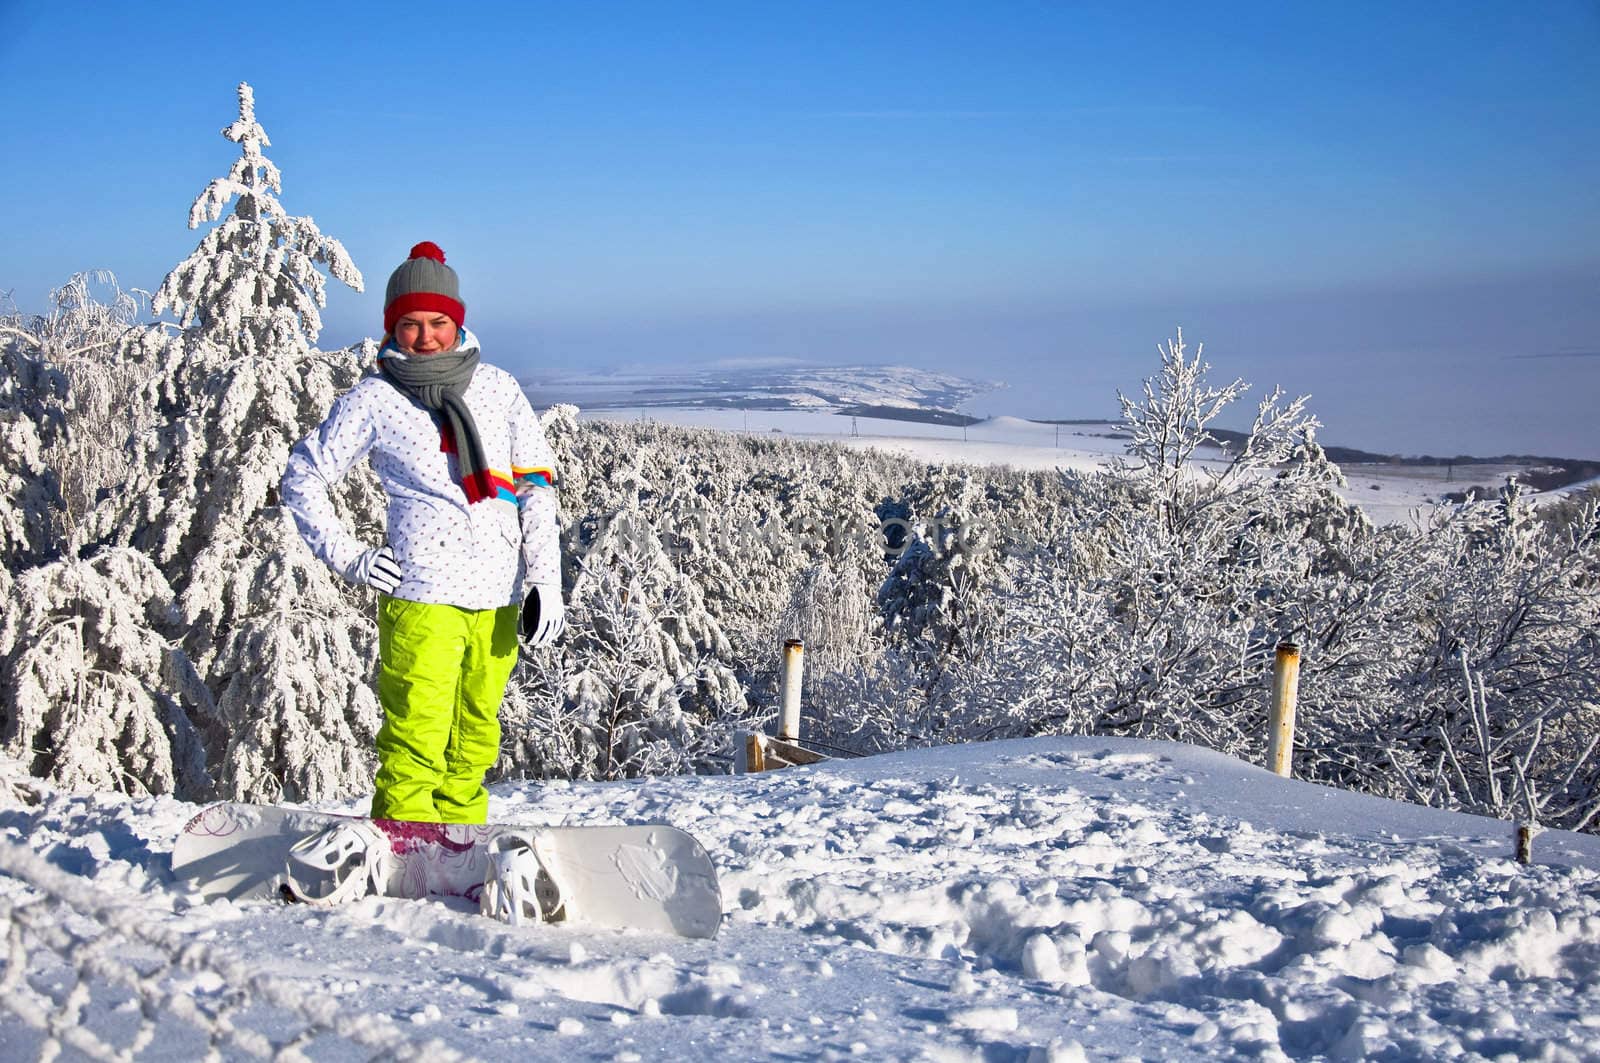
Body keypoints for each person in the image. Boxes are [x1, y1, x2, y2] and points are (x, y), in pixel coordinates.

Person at [281, 241, 564, 835]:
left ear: (457, 322)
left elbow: (536, 489)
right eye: (410, 324)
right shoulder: (376, 399)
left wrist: (544, 579)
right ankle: (406, 849)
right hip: (423, 595)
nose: (426, 337)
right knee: (417, 736)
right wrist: (350, 557)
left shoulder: (497, 389)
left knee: (475, 740)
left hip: (498, 597)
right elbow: (303, 474)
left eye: (438, 322)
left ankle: (460, 846)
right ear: (392, 328)